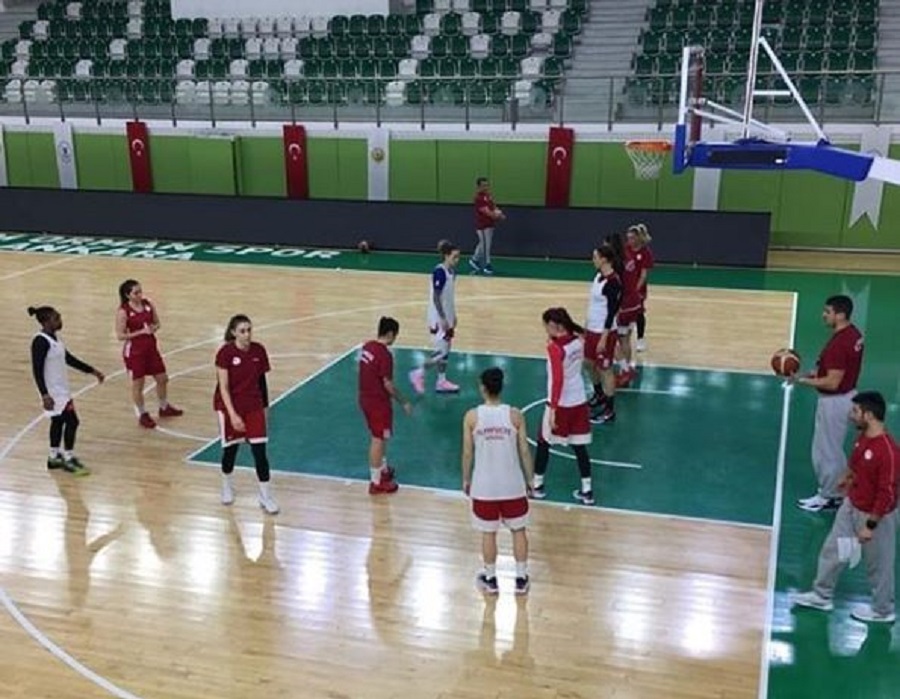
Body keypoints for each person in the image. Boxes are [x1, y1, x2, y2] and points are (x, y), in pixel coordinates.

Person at [791, 391, 899, 624]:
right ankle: (822, 595)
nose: (851, 415)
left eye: (856, 411)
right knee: (835, 550)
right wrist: (847, 477)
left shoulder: (888, 452)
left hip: (876, 516)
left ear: (868, 415)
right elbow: (856, 461)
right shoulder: (863, 437)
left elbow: (887, 494)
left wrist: (870, 526)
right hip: (851, 506)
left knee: (879, 564)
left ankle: (883, 610)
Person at [461, 367, 534, 595]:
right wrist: (530, 479)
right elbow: (524, 450)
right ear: (501, 387)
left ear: (483, 388)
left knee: (488, 533)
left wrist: (466, 479)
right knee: (519, 530)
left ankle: (491, 579)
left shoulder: (472, 417)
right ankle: (520, 579)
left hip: (484, 488)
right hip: (513, 485)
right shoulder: (515, 415)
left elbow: (467, 453)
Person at [795, 295, 865, 513]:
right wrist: (811, 373)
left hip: (834, 402)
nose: (823, 315)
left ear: (840, 314)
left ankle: (830, 496)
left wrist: (802, 381)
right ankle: (837, 491)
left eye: (828, 312)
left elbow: (832, 382)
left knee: (825, 451)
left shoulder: (839, 344)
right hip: (848, 395)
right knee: (833, 449)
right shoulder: (853, 334)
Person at [28, 305, 105, 477]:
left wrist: (92, 371)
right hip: (54, 393)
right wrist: (44, 394)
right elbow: (37, 370)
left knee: (57, 422)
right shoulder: (40, 342)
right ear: (46, 322)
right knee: (72, 422)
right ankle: (69, 458)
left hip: (60, 389)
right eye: (56, 318)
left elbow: (69, 359)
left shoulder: (54, 338)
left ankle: (54, 457)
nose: (60, 321)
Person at [214, 314, 279, 515]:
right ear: (233, 332)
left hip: (253, 406)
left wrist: (265, 408)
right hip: (230, 406)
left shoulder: (259, 350)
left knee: (260, 452)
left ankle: (265, 496)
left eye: (249, 330)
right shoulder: (225, 353)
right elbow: (223, 388)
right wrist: (232, 415)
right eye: (242, 331)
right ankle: (226, 485)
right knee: (231, 451)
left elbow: (262, 383)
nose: (247, 334)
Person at [531, 307, 595, 505]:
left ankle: (537, 485)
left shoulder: (555, 349)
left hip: (561, 402)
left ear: (554, 325)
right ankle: (587, 490)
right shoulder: (579, 340)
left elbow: (557, 380)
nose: (544, 329)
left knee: (544, 442)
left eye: (546, 325)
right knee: (580, 447)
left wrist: (553, 409)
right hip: (579, 399)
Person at [115, 279, 183, 429]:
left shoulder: (148, 304)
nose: (140, 295)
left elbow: (157, 323)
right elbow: (120, 335)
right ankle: (142, 414)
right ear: (127, 295)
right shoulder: (123, 311)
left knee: (162, 378)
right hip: (135, 352)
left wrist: (153, 328)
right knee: (138, 384)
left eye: (140, 291)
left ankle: (164, 407)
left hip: (151, 348)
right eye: (136, 293)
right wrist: (140, 332)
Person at [359, 316, 413, 495]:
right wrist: (404, 401)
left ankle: (382, 469)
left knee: (381, 436)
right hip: (378, 403)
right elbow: (388, 384)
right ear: (390, 334)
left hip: (365, 398)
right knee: (378, 438)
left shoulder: (367, 347)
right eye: (395, 335)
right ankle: (376, 482)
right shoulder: (385, 355)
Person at [409, 240, 461, 395]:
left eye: (458, 257)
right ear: (446, 256)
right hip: (438, 318)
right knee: (441, 352)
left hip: (448, 316)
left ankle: (441, 381)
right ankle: (418, 373)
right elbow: (436, 297)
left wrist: (453, 315)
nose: (457, 260)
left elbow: (449, 297)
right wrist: (443, 318)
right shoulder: (439, 272)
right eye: (454, 257)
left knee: (447, 349)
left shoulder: (452, 273)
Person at [584, 243, 623, 424]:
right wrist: (586, 327)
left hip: (604, 332)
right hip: (592, 329)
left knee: (605, 369)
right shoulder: (598, 276)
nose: (593, 260)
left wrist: (604, 337)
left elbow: (612, 312)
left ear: (604, 259)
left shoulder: (613, 282)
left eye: (595, 257)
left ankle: (609, 409)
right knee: (588, 363)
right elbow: (593, 304)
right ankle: (599, 394)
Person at [626, 223, 654, 353]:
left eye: (632, 238)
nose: (629, 240)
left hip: (638, 288)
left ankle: (641, 339)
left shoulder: (645, 252)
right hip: (626, 286)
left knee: (639, 312)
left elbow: (643, 275)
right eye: (628, 238)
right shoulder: (626, 249)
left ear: (638, 238)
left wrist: (636, 289)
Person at [469, 177, 505, 275]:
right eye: (483, 185)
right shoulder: (478, 198)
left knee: (483, 244)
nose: (486, 187)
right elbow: (487, 212)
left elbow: (493, 206)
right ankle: (487, 265)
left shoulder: (488, 196)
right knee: (486, 246)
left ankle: (474, 259)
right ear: (478, 187)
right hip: (482, 226)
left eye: (487, 185)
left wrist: (499, 212)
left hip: (490, 224)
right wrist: (497, 216)